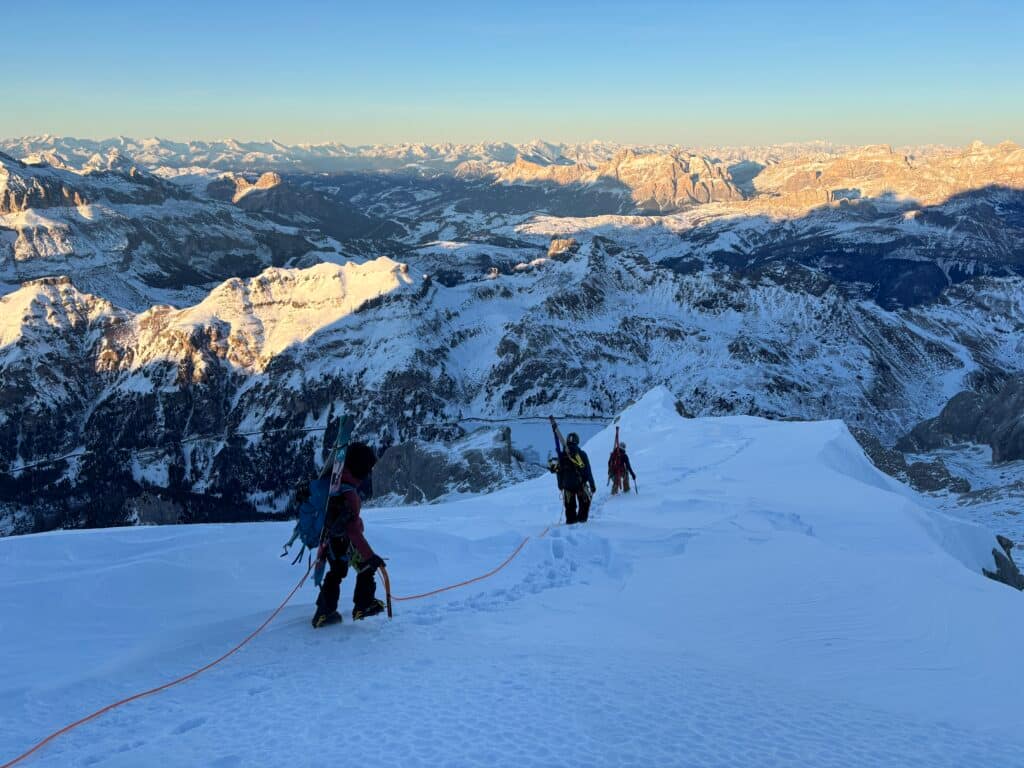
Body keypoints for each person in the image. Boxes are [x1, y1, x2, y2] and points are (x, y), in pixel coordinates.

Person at [312, 442, 387, 627]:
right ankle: (364, 605)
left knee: (336, 572)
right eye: (368, 468)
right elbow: (353, 530)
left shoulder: (333, 483)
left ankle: (324, 612)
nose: (369, 473)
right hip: (344, 541)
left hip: (328, 540)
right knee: (365, 567)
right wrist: (371, 556)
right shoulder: (348, 492)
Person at [552, 430, 596, 524]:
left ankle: (571, 522)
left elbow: (559, 472)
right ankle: (581, 521)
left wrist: (560, 485)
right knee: (585, 503)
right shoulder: (582, 454)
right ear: (577, 441)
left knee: (570, 506)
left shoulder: (562, 455)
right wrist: (592, 485)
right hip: (580, 485)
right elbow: (587, 471)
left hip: (567, 485)